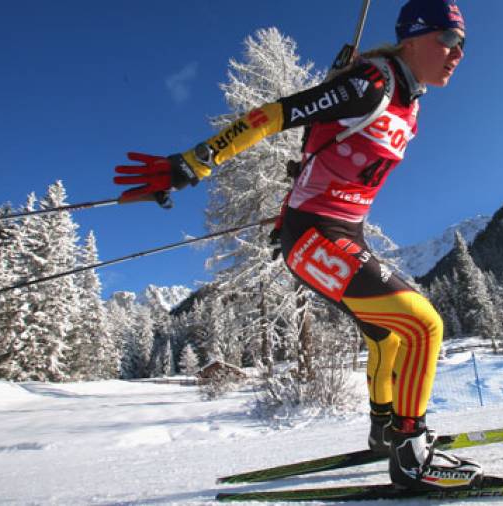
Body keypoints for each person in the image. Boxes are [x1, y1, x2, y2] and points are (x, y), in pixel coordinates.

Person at [114, 0, 480, 491]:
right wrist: (195, 162)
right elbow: (273, 115)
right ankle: (413, 455)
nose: (458, 53)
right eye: (448, 40)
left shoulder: (408, 103)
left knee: (387, 335)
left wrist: (326, 116)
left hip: (343, 232)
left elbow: (317, 148)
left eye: (463, 43)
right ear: (412, 38)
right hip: (314, 236)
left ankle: (385, 432)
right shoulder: (372, 84)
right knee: (423, 325)